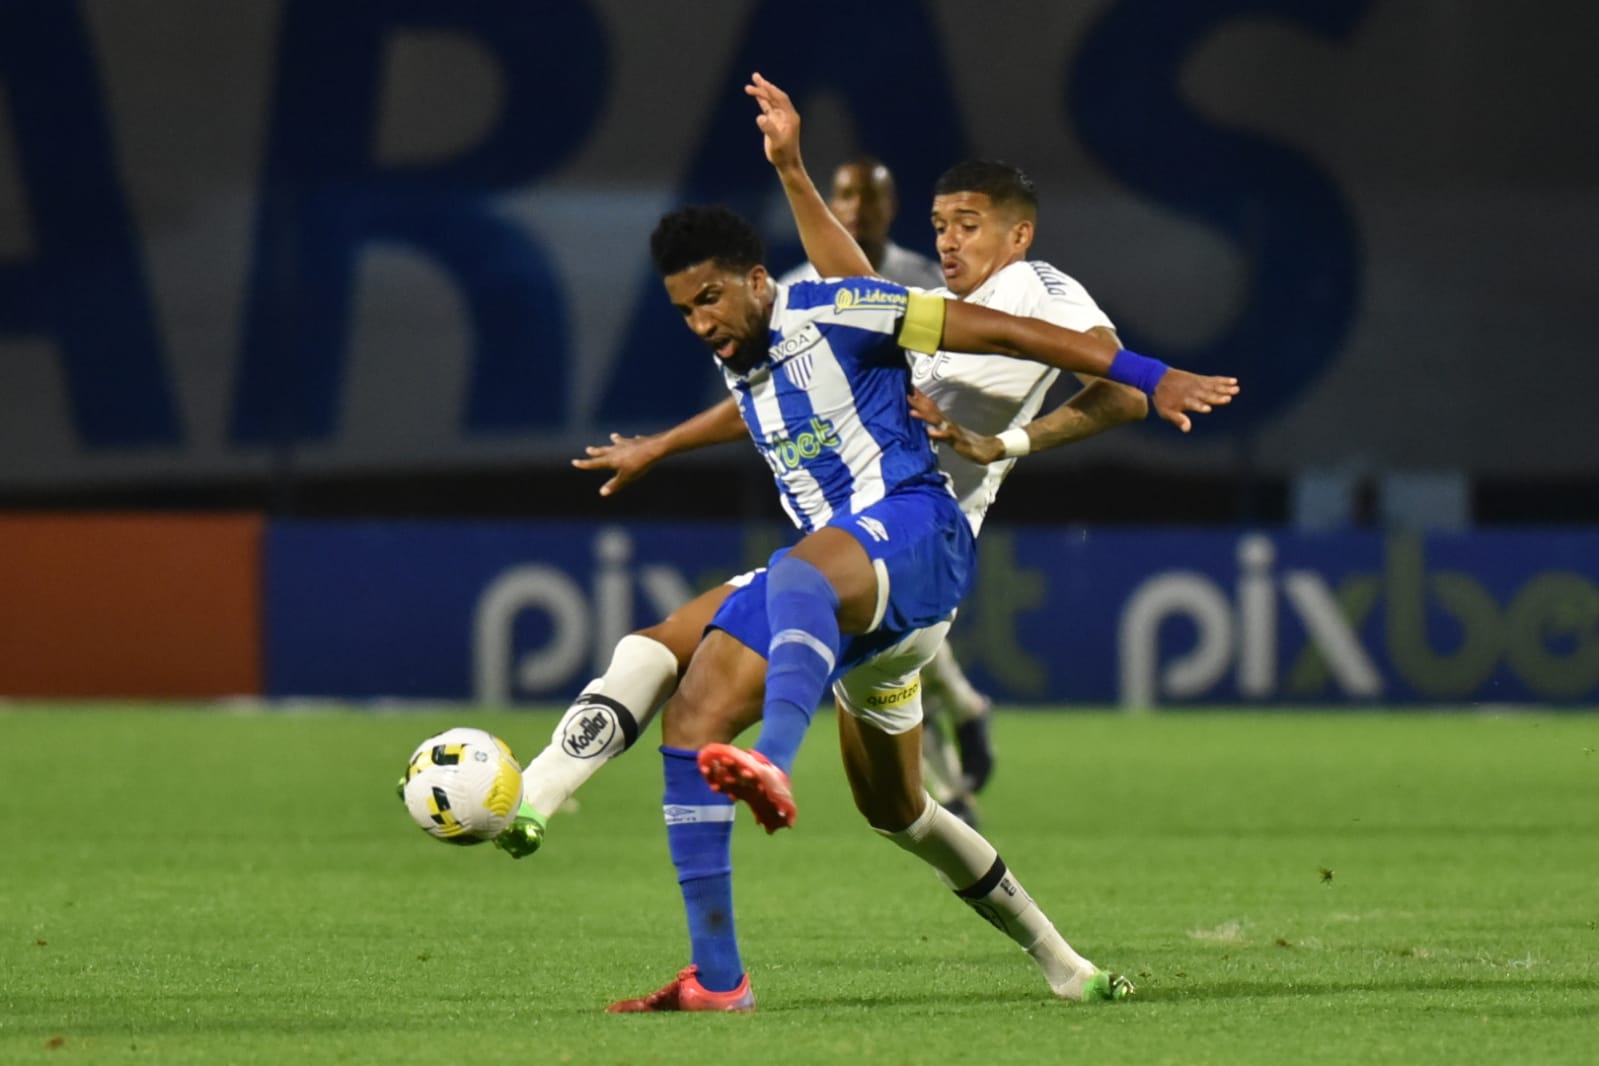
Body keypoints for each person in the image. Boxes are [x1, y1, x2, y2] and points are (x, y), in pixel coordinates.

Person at [777, 155, 988, 823]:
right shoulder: (793, 289)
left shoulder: (922, 278)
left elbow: (966, 356)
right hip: (838, 485)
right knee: (889, 636)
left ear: (890, 207)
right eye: (845, 195)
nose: (856, 208)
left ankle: (949, 779)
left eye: (869, 197)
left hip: (912, 472)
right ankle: (956, 754)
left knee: (895, 630)